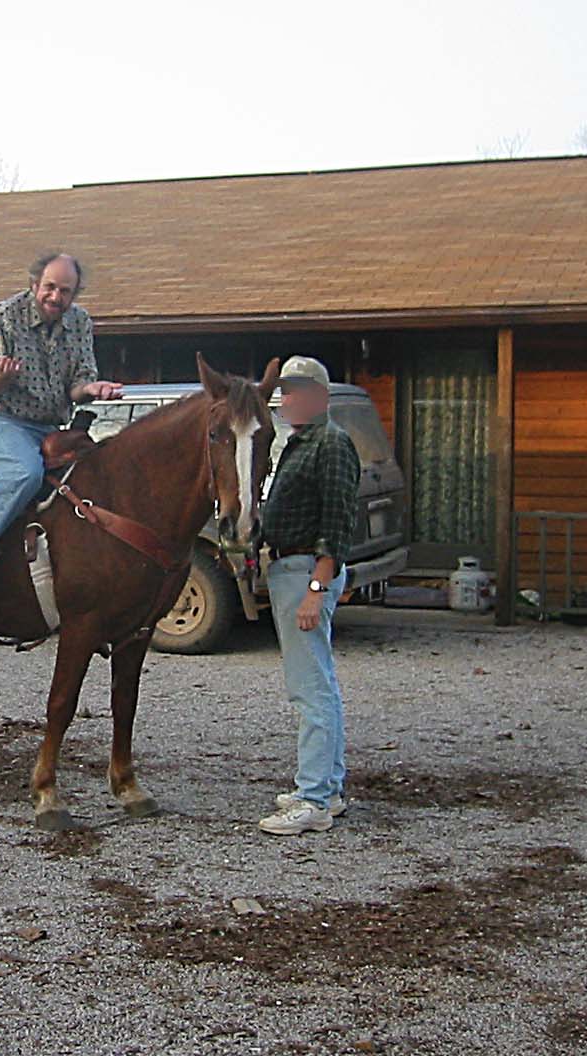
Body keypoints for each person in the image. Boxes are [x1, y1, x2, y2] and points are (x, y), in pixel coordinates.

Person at [0, 253, 123, 621]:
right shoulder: (4, 317)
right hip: (1, 421)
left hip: (52, 427)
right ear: (35, 284)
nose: (56, 297)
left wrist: (93, 388)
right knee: (24, 474)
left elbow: (77, 385)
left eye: (65, 291)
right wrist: (2, 377)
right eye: (50, 287)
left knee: (94, 480)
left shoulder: (81, 322)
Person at [255, 355, 361, 837]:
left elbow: (337, 523)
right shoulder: (297, 443)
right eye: (285, 389)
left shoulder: (332, 444)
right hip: (288, 567)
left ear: (319, 396)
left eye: (295, 389)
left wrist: (316, 589)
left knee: (309, 687)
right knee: (318, 680)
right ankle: (327, 788)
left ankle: (314, 798)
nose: (286, 397)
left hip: (304, 571)